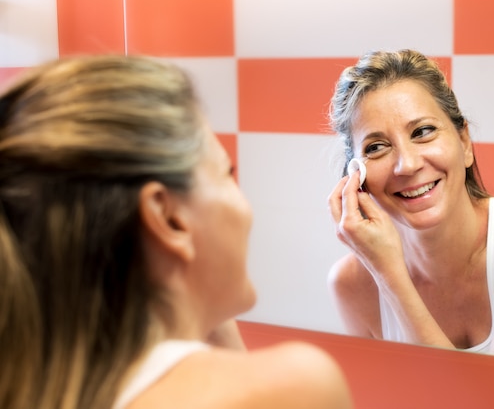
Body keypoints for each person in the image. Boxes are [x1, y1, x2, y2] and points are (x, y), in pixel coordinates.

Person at [0, 55, 353, 409]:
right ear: (167, 216)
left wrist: (199, 304)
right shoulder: (297, 386)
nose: (244, 204)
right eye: (226, 173)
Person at [327, 49, 494, 363]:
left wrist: (390, 279)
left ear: (464, 142)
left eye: (422, 132)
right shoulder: (352, 284)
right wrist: (382, 272)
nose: (406, 165)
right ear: (356, 175)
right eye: (377, 147)